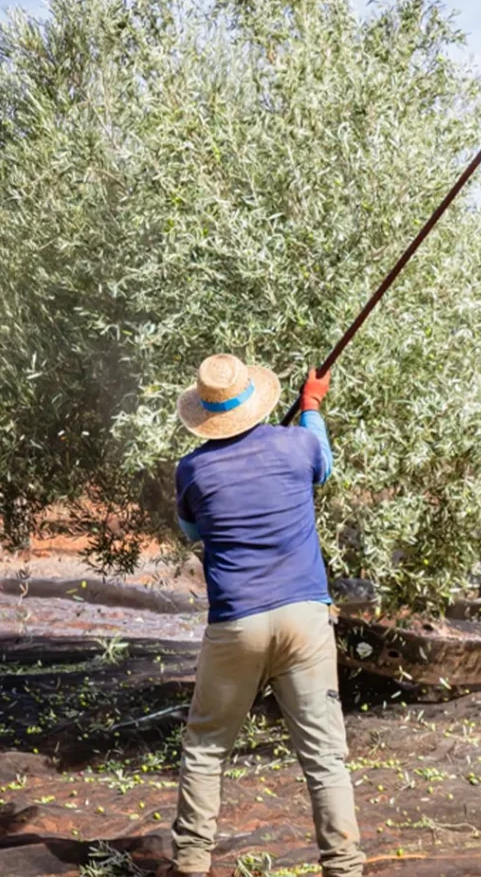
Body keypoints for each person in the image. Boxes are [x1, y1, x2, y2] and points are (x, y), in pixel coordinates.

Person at [165, 353, 364, 877]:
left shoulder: (192, 471)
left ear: (206, 416)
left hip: (237, 624)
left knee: (206, 749)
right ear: (256, 403)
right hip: (305, 618)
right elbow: (323, 461)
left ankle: (190, 864)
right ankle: (344, 867)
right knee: (324, 758)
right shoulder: (297, 444)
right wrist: (312, 404)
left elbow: (193, 533)